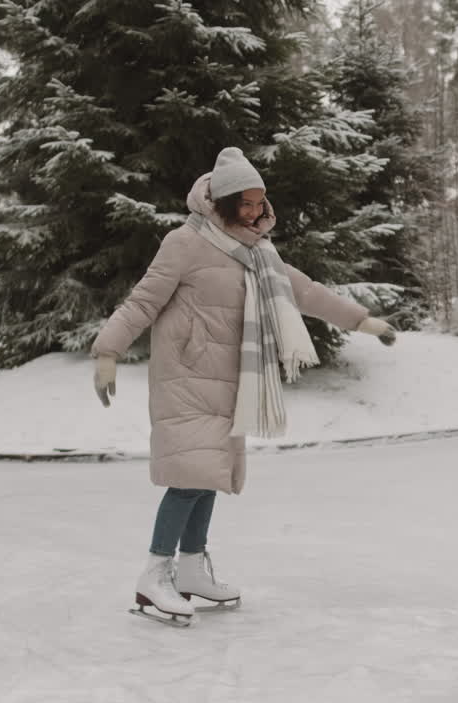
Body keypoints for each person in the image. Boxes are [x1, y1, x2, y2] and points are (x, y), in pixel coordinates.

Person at [91, 147, 398, 627]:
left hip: (231, 376)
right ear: (226, 200)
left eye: (262, 202)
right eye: (248, 203)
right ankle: (155, 574)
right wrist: (107, 352)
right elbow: (143, 301)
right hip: (187, 374)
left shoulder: (259, 251)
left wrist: (364, 322)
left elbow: (308, 293)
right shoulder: (185, 243)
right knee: (189, 477)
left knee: (208, 475)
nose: (257, 211)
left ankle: (191, 568)